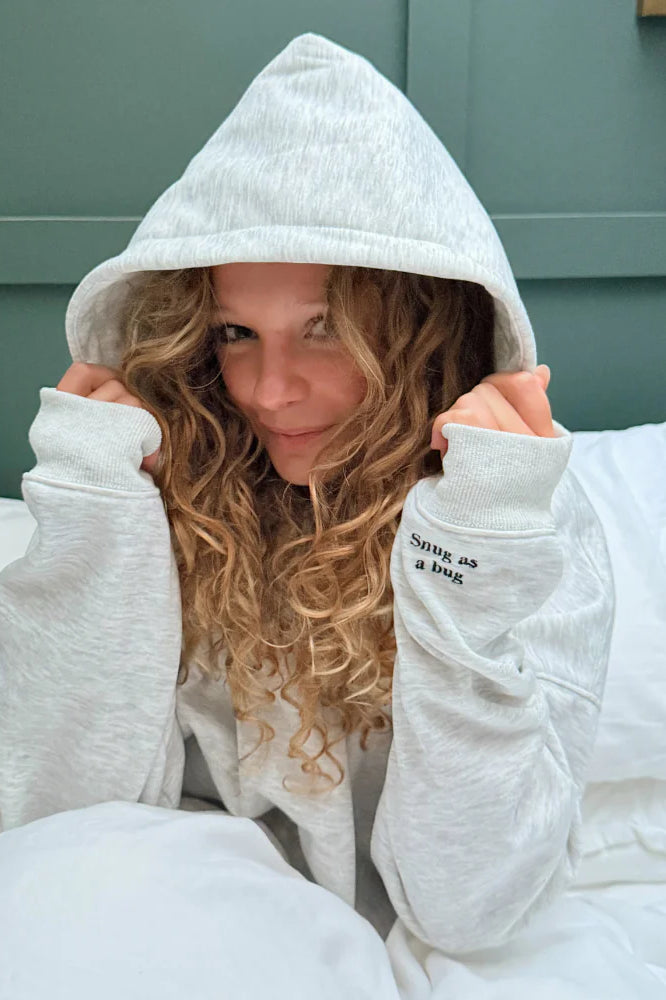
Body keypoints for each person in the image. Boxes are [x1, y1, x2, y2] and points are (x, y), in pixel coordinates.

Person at [0, 32, 613, 956]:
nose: (269, 391)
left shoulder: (525, 528)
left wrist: (468, 557)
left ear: (421, 334)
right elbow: (56, 825)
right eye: (235, 333)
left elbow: (468, 907)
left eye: (326, 330)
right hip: (168, 924)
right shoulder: (165, 483)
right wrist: (94, 520)